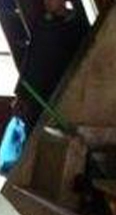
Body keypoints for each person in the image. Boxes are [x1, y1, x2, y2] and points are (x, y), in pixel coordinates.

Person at [13, 0, 88, 128]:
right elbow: (31, 61)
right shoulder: (42, 25)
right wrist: (21, 94)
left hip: (64, 95)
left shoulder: (78, 26)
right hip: (37, 97)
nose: (46, 2)